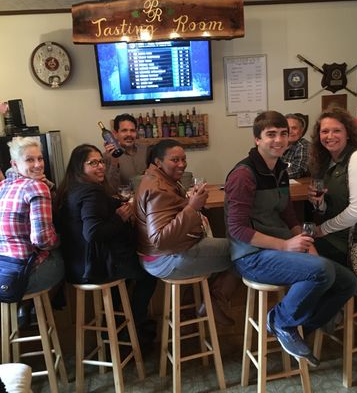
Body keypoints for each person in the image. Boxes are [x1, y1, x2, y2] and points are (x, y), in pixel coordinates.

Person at [224, 111, 357, 367]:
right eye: (271, 134)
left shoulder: (279, 169)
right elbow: (237, 229)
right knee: (321, 271)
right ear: (257, 139)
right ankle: (280, 322)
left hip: (278, 248)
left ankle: (301, 327)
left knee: (348, 282)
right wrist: (286, 245)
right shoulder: (243, 174)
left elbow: (287, 213)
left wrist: (306, 242)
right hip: (250, 256)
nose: (278, 140)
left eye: (283, 134)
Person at [55, 144, 157, 349]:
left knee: (128, 276)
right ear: (79, 167)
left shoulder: (68, 190)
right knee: (149, 273)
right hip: (95, 268)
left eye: (101, 161)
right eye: (92, 163)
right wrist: (119, 218)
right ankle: (132, 325)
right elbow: (93, 233)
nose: (100, 166)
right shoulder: (91, 192)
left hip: (76, 266)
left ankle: (117, 326)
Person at [134, 139, 239, 326]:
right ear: (158, 162)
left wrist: (190, 204)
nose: (182, 164)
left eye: (183, 159)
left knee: (235, 250)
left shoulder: (157, 179)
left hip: (157, 256)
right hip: (164, 259)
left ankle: (195, 308)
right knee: (244, 252)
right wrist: (192, 208)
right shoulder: (158, 188)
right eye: (175, 160)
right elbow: (160, 239)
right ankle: (212, 301)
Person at [309, 107, 357, 267]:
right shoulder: (327, 161)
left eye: (336, 130)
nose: (330, 136)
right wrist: (320, 203)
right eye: (325, 131)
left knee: (301, 253)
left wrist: (322, 229)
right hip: (338, 235)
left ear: (348, 134)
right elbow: (332, 207)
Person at [0, 137, 64, 318]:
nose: (38, 164)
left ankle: (26, 308)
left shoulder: (3, 185)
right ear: (14, 164)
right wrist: (61, 239)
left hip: (3, 271)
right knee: (67, 255)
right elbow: (42, 239)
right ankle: (38, 310)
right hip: (22, 275)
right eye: (29, 160)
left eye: (40, 158)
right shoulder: (36, 187)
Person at [103, 113, 148, 193]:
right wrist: (114, 162)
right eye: (124, 130)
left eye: (132, 130)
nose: (129, 134)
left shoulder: (146, 150)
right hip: (123, 199)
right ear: (115, 134)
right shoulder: (107, 157)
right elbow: (111, 189)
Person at [281, 113, 310, 178]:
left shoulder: (303, 146)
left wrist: (272, 176)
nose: (290, 131)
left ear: (301, 131)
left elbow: (297, 171)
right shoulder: (279, 145)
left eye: (294, 128)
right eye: (287, 128)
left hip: (301, 183)